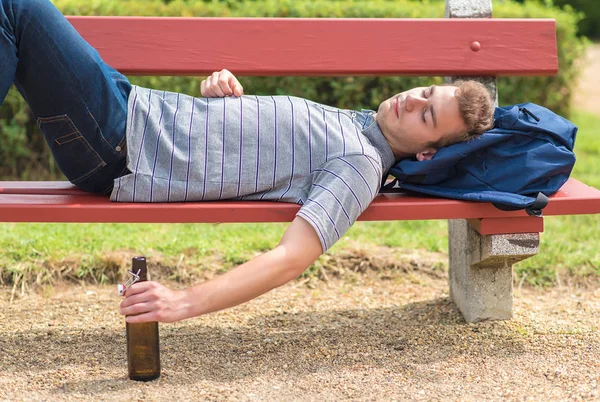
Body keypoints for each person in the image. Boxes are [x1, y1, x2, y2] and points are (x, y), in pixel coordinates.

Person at [0, 0, 494, 323]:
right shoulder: (359, 123)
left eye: (427, 115)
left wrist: (183, 301)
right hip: (133, 109)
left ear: (427, 150)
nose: (412, 101)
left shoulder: (360, 163)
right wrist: (221, 99)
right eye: (425, 92)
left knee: (15, 7)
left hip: (121, 144)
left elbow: (291, 258)